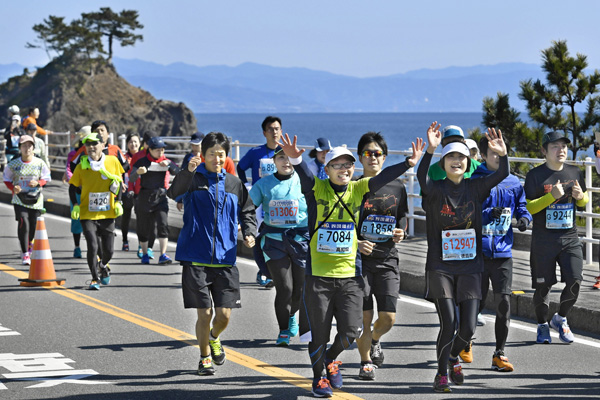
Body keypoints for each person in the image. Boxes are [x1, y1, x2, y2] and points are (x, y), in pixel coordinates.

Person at [278, 133, 424, 398]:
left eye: (348, 165)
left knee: (351, 331)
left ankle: (331, 360)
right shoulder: (316, 190)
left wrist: (408, 163)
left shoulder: (359, 189)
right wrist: (296, 158)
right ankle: (318, 379)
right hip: (319, 276)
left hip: (350, 276)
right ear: (327, 169)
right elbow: (305, 175)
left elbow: (382, 177)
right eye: (337, 165)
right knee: (319, 335)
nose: (344, 169)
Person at [418, 122, 508, 393]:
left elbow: (502, 173)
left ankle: (454, 356)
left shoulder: (477, 188)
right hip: (440, 266)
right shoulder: (434, 190)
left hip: (470, 265)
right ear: (443, 163)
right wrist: (431, 150)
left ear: (468, 163)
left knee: (467, 328)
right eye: (450, 157)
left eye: (461, 157)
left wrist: (502, 153)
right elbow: (422, 174)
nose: (456, 161)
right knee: (449, 323)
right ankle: (441, 373)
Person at [167, 132, 256, 376]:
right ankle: (204, 356)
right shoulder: (193, 179)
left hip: (226, 259)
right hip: (196, 256)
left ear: (227, 156)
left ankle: (215, 338)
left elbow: (247, 211)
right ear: (202, 155)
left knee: (224, 316)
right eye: (211, 154)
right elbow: (173, 193)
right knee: (204, 314)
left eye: (221, 155)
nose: (217, 159)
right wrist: (186, 172)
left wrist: (249, 232)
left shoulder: (234, 183)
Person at [467, 136, 532, 372]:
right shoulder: (474, 180)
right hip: (478, 252)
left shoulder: (513, 181)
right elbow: (465, 213)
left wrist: (524, 218)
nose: (498, 156)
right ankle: (465, 341)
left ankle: (499, 354)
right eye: (493, 153)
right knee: (478, 301)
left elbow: (522, 205)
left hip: (503, 252)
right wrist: (486, 215)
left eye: (501, 153)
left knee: (504, 302)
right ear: (483, 156)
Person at [524, 131, 588, 344]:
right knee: (543, 286)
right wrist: (551, 196)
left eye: (564, 146)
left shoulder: (575, 172)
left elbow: (583, 201)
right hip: (544, 240)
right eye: (555, 147)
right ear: (544, 151)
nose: (561, 150)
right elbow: (529, 208)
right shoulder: (535, 176)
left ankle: (560, 318)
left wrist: (580, 198)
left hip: (569, 238)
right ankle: (542, 325)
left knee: (575, 280)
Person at [354, 132, 409, 381]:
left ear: (385, 158)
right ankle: (365, 362)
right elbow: (342, 222)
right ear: (360, 157)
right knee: (364, 317)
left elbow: (402, 216)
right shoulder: (353, 187)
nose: (372, 157)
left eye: (377, 154)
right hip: (360, 262)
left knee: (388, 318)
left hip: (387, 258)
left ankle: (375, 340)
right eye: (368, 153)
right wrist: (356, 243)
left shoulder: (398, 186)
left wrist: (401, 232)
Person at [249, 147, 308, 346]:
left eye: (289, 157)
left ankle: (292, 315)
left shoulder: (304, 181)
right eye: (281, 157)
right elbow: (248, 207)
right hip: (274, 240)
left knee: (299, 288)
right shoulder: (263, 184)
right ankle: (284, 329)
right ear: (273, 161)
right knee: (284, 288)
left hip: (300, 240)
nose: (286, 161)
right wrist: (247, 228)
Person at [69, 132, 124, 290]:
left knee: (109, 250)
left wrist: (119, 201)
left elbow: (118, 182)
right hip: (87, 213)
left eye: (94, 144)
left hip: (107, 212)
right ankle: (94, 278)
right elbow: (72, 188)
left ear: (102, 145)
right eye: (88, 144)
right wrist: (76, 205)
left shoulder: (112, 161)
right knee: (92, 246)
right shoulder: (82, 166)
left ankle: (102, 265)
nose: (91, 147)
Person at [237, 116, 282, 287]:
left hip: (278, 202)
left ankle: (271, 271)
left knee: (275, 237)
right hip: (259, 202)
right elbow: (240, 167)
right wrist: (246, 185)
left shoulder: (284, 152)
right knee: (257, 236)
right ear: (264, 133)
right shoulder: (256, 153)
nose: (274, 132)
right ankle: (265, 271)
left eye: (277, 128)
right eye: (271, 129)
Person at [129, 136, 180, 264]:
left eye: (162, 150)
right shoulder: (142, 161)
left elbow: (178, 172)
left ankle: (163, 254)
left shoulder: (166, 161)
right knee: (144, 228)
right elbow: (131, 178)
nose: (161, 153)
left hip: (160, 196)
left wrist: (169, 165)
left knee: (163, 224)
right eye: (158, 150)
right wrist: (138, 173)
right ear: (150, 150)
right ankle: (145, 253)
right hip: (144, 196)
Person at [3, 135, 51, 265]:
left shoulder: (39, 163)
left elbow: (47, 177)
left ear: (33, 148)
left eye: (30, 146)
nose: (27, 148)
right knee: (24, 223)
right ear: (20, 148)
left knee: (33, 225)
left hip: (35, 199)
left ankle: (30, 245)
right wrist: (13, 188)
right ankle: (25, 254)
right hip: (19, 199)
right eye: (24, 146)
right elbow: (6, 178)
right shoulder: (14, 164)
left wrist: (38, 183)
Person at [62, 126, 90, 258]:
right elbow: (69, 169)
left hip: (92, 192)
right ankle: (77, 246)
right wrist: (75, 181)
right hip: (78, 191)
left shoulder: (101, 154)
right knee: (77, 219)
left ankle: (93, 247)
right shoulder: (74, 154)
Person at [120, 132, 141, 251]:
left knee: (140, 218)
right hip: (127, 190)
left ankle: (140, 243)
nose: (133, 144)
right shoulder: (123, 157)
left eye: (135, 142)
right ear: (127, 144)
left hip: (140, 190)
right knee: (126, 217)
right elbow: (120, 171)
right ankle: (125, 241)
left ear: (139, 143)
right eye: (130, 142)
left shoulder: (143, 156)